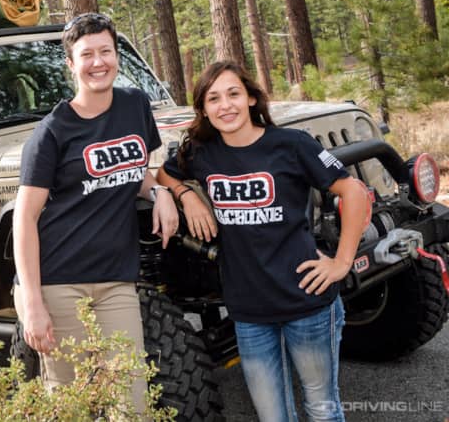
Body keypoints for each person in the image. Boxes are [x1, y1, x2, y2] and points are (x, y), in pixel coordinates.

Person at [158, 61, 368, 422]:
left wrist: (342, 261)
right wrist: (184, 194)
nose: (225, 105)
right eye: (214, 98)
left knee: (322, 408)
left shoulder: (291, 144)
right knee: (272, 417)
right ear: (204, 110)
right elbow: (163, 172)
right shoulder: (201, 152)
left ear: (252, 98)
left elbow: (354, 191)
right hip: (248, 310)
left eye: (234, 94)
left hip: (307, 301)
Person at [12, 12, 178, 412]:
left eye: (106, 51)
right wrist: (32, 302)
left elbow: (134, 171)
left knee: (132, 403)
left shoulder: (135, 105)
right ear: (71, 64)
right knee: (74, 407)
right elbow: (24, 218)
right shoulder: (51, 132)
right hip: (59, 283)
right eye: (87, 54)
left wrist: (162, 193)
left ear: (117, 56)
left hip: (116, 281)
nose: (98, 62)